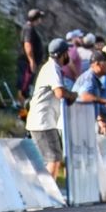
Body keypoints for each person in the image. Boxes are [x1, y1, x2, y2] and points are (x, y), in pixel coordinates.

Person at [25, 38, 78, 178]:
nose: (69, 57)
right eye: (67, 52)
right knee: (54, 159)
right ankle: (49, 195)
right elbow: (60, 92)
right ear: (62, 54)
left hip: (43, 121)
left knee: (51, 159)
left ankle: (47, 194)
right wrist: (72, 95)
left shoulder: (50, 67)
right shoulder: (52, 68)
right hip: (43, 122)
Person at [74, 51, 106, 134]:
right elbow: (84, 96)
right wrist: (105, 101)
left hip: (83, 123)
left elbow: (93, 102)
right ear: (97, 64)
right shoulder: (89, 77)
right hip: (76, 123)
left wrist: (100, 119)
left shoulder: (95, 79)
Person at [16, 9, 46, 100]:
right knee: (24, 87)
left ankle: (23, 109)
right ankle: (22, 110)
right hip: (26, 62)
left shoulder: (30, 28)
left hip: (28, 62)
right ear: (36, 18)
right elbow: (27, 44)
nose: (41, 20)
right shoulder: (29, 29)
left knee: (26, 86)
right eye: (40, 17)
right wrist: (32, 61)